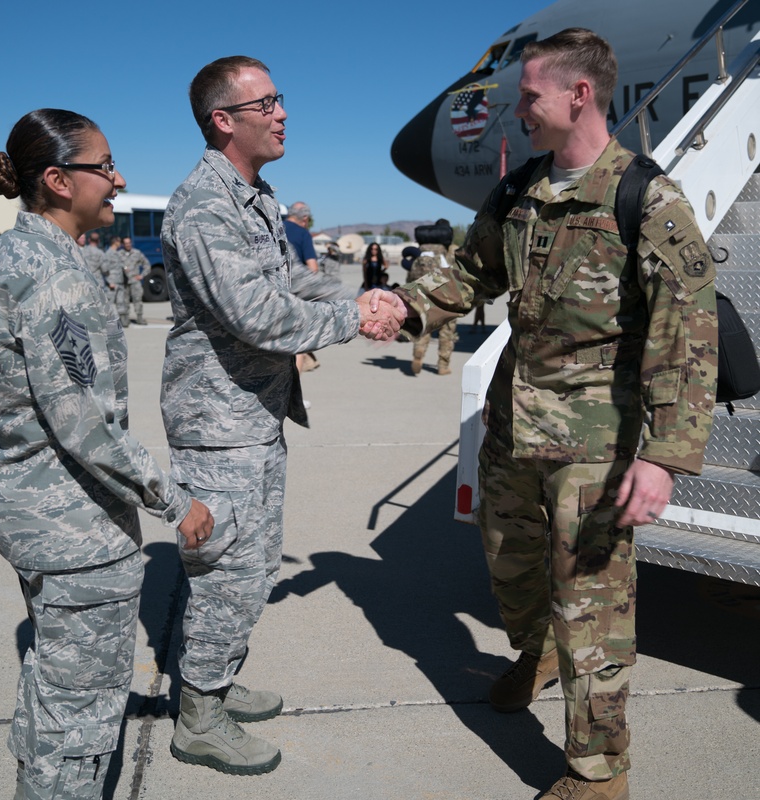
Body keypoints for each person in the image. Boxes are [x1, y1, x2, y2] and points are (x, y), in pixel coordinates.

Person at [393, 29, 717, 800]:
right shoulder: (519, 192)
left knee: (593, 613)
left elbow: (687, 331)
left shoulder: (646, 197)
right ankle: (533, 655)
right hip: (511, 428)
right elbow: (471, 272)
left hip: (594, 445)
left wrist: (665, 456)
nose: (518, 110)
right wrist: (403, 310)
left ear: (578, 95)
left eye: (529, 95)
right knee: (509, 568)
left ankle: (598, 772)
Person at [161, 55, 404, 776]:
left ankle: (219, 678)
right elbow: (255, 314)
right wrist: (354, 319)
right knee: (226, 567)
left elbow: (288, 278)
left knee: (255, 560)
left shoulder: (255, 197)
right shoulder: (203, 206)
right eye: (265, 103)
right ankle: (198, 715)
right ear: (222, 120)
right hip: (217, 420)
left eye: (280, 100)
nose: (283, 113)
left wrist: (366, 296)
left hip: (253, 411)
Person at [0, 108, 214, 800]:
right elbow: (87, 427)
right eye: (103, 167)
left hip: (27, 510)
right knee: (82, 715)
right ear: (56, 179)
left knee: (52, 686)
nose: (118, 179)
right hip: (76, 532)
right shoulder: (55, 276)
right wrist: (174, 500)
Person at [407, 220, 458, 376]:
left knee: (424, 327)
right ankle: (443, 365)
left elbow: (410, 276)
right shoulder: (450, 249)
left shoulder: (422, 251)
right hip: (446, 296)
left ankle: (419, 351)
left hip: (424, 295)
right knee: (447, 331)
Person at [119, 236, 149, 324]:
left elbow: (147, 265)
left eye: (129, 243)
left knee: (138, 300)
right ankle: (125, 320)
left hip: (135, 281)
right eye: (126, 243)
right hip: (124, 282)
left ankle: (139, 318)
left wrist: (141, 275)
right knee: (124, 301)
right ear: (123, 244)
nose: (128, 245)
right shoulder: (119, 254)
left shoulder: (137, 253)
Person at [103, 235, 128, 324]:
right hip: (112, 283)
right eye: (119, 241)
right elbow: (105, 269)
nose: (120, 243)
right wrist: (109, 282)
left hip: (120, 282)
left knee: (121, 302)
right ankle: (108, 322)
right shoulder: (108, 254)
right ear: (115, 242)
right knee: (110, 303)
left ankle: (122, 322)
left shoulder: (117, 253)